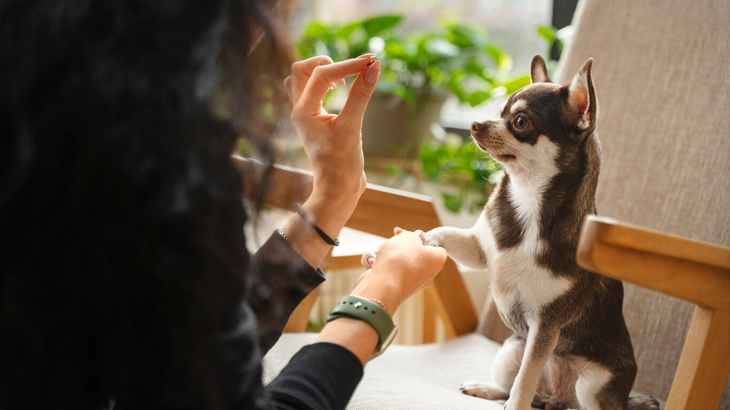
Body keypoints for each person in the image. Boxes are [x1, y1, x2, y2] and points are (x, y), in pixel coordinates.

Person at [0, 1, 447, 409]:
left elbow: (190, 357)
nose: (261, 38)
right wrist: (377, 294)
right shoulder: (154, 164)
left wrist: (331, 198)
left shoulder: (58, 123)